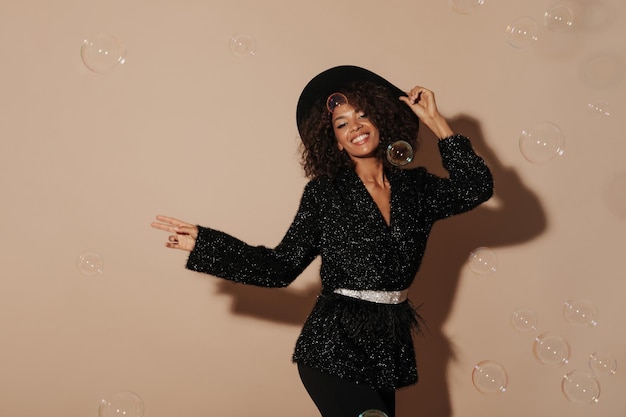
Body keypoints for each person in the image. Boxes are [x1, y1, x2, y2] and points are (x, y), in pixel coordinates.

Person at [151, 65, 493, 417]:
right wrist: (207, 244)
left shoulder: (417, 188)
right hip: (333, 346)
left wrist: (436, 121)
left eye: (363, 115)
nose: (355, 127)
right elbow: (280, 268)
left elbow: (476, 187)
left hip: (387, 346)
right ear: (335, 141)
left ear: (382, 120)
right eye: (342, 123)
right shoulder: (325, 194)